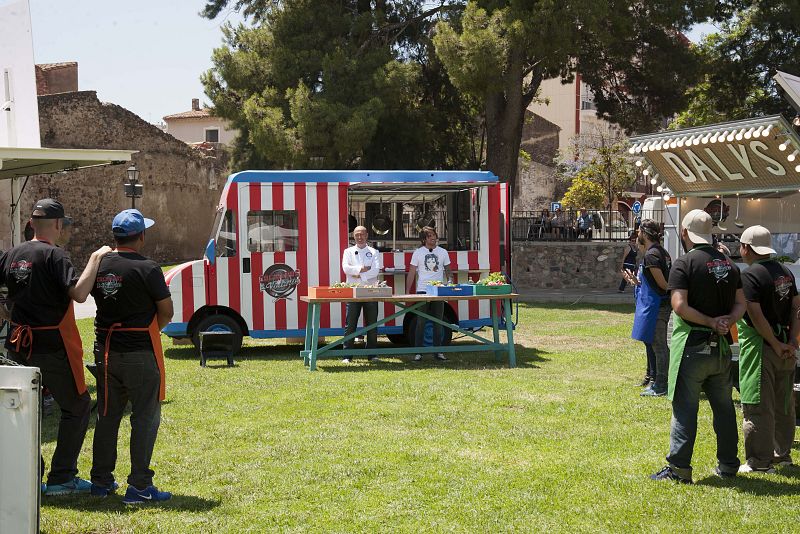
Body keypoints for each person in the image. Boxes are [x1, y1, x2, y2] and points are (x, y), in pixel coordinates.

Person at [0, 199, 110, 496]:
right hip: (53, 346)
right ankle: (62, 477)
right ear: (59, 224)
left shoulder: (12, 254)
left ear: (32, 223)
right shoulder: (54, 255)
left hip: (18, 344)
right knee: (77, 406)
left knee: (23, 412)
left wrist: (8, 314)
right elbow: (79, 293)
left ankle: (28, 475)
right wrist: (95, 259)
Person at [650, 209, 745, 484]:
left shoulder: (684, 264)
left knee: (685, 409)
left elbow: (680, 306)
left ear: (684, 233)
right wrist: (726, 321)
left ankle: (679, 469)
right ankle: (728, 465)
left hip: (692, 347)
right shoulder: (730, 264)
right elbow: (742, 303)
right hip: (722, 349)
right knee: (724, 410)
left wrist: (709, 321)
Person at [89, 209, 174, 504]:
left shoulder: (99, 264)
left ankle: (100, 482)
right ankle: (138, 486)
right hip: (139, 351)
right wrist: (152, 330)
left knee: (107, 416)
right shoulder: (148, 268)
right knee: (145, 417)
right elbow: (167, 311)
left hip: (106, 350)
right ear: (141, 237)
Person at [736, 225, 799, 473]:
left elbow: (754, 311)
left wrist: (775, 343)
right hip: (786, 348)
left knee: (758, 404)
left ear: (746, 248)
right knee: (784, 404)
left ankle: (759, 462)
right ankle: (782, 455)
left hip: (762, 349)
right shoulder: (785, 272)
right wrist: (793, 341)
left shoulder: (750, 275)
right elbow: (797, 307)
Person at [623, 220, 671, 397]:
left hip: (658, 305)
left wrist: (675, 294)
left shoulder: (651, 255)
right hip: (658, 304)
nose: (637, 235)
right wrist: (637, 282)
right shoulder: (661, 252)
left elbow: (663, 284)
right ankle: (656, 381)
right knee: (656, 345)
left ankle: (661, 384)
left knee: (659, 347)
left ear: (644, 233)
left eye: (638, 231)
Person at [406, 226, 452, 362]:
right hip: (422, 291)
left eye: (434, 235)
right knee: (421, 321)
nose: (433, 237)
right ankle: (418, 352)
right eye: (430, 235)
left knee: (438, 321)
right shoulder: (418, 253)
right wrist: (408, 291)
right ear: (424, 239)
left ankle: (438, 352)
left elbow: (449, 270)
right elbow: (412, 272)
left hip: (438, 290)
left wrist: (449, 281)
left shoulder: (443, 252)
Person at [340, 225, 381, 363]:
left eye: (362, 234)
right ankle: (347, 356)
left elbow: (375, 271)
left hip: (371, 291)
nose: (359, 237)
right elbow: (346, 268)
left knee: (371, 324)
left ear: (367, 235)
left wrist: (358, 275)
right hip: (353, 291)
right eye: (357, 234)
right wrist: (362, 270)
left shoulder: (374, 252)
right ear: (353, 236)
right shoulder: (348, 251)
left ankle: (372, 355)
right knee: (350, 324)